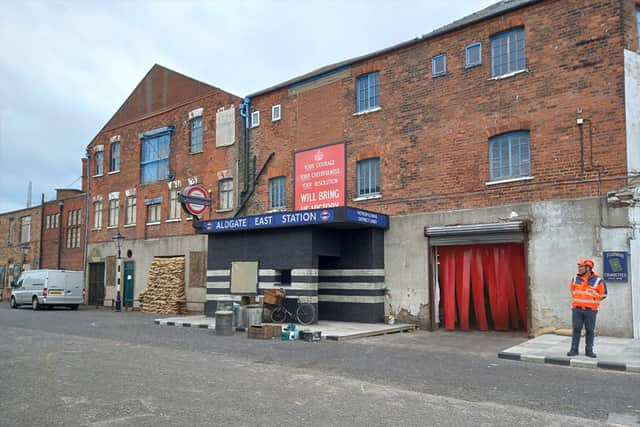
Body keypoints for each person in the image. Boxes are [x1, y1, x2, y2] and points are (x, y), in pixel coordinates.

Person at [567, 258, 607, 358]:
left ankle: (589, 350)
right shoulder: (575, 279)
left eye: (581, 267)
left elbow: (604, 294)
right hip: (577, 309)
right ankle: (574, 350)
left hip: (590, 310)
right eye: (579, 267)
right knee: (576, 330)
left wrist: (593, 299)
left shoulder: (598, 280)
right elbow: (572, 291)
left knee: (590, 330)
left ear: (588, 268)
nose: (579, 269)